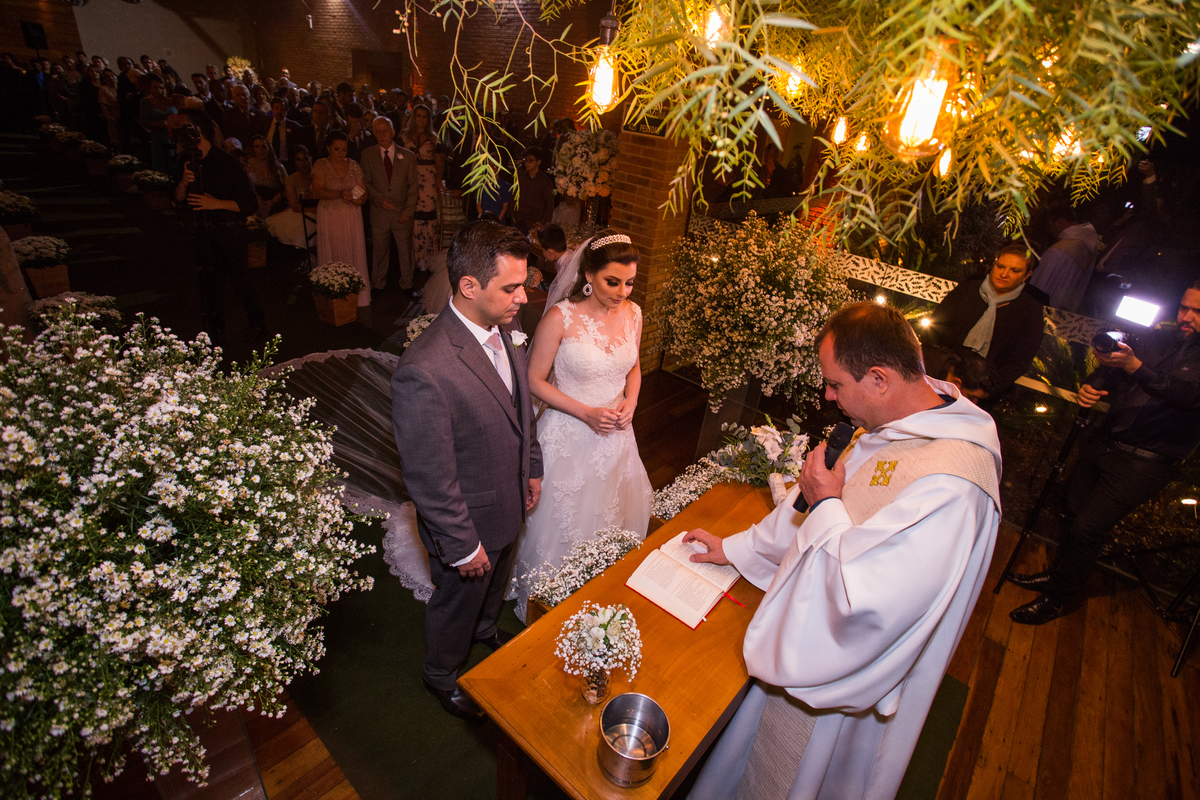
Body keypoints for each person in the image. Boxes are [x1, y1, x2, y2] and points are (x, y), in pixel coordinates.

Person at [684, 301, 1001, 800]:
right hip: (805, 650)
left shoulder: (950, 489)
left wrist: (826, 500)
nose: (829, 396)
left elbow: (865, 605)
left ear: (879, 378)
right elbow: (835, 509)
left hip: (843, 688)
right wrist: (738, 548)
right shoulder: (900, 421)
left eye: (836, 384)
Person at [391, 221, 543, 720]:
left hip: (507, 499)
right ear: (469, 286)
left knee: (494, 585)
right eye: (511, 287)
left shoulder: (504, 330)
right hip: (467, 523)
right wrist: (461, 544)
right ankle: (441, 673)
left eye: (524, 284)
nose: (523, 296)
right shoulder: (425, 368)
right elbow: (429, 477)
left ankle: (483, 632)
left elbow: (521, 411)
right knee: (457, 601)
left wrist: (533, 468)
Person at [1008, 281, 1200, 624]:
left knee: (1088, 527)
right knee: (1072, 513)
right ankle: (1057, 577)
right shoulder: (1162, 337)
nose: (1186, 316)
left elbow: (1184, 395)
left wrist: (1134, 367)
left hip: (1145, 462)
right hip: (1106, 441)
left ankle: (1058, 599)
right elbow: (1117, 370)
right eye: (1184, 307)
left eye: (1196, 311)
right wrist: (1095, 382)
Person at [508, 230, 653, 621]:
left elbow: (634, 368)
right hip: (568, 433)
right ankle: (545, 600)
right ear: (589, 274)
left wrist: (632, 401)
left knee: (609, 513)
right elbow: (535, 380)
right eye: (612, 282)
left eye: (629, 282)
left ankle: (596, 588)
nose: (622, 291)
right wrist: (586, 412)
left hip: (617, 435)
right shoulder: (561, 317)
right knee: (559, 521)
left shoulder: (634, 314)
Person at [173, 111, 264, 347]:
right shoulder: (186, 160)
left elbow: (249, 203)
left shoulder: (227, 162)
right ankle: (215, 333)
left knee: (241, 282)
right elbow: (177, 200)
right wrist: (183, 181)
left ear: (199, 130)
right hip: (203, 233)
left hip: (230, 233)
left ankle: (258, 326)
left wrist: (215, 204)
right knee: (209, 285)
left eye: (186, 127)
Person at [925, 244, 1045, 401]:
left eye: (1014, 270)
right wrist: (944, 374)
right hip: (939, 379)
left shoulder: (1030, 310)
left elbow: (1019, 362)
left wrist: (984, 389)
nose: (1004, 274)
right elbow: (934, 332)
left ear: (1027, 275)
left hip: (982, 393)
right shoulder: (967, 291)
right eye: (1000, 266)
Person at [361, 116, 419, 297]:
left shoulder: (408, 156)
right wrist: (379, 199)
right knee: (379, 249)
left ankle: (408, 283)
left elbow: (413, 187)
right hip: (379, 212)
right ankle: (378, 283)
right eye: (377, 131)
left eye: (385, 130)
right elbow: (366, 183)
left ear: (393, 132)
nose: (382, 134)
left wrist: (408, 211)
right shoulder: (367, 155)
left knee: (405, 249)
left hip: (401, 212)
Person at [312, 130, 370, 306]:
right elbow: (317, 190)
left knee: (353, 250)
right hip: (330, 215)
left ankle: (356, 296)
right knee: (333, 250)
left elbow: (362, 191)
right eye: (337, 149)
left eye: (344, 150)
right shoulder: (321, 165)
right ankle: (334, 297)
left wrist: (360, 198)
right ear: (329, 148)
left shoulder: (353, 165)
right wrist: (339, 194)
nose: (340, 153)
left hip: (351, 215)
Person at [1027, 212, 1100, 313]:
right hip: (1064, 311)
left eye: (1050, 226)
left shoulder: (1057, 250)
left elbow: (1038, 285)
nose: (1050, 231)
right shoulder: (1088, 246)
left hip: (1042, 308)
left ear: (1060, 222)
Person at [401, 103, 443, 265]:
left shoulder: (434, 138)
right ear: (413, 117)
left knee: (428, 217)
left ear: (428, 119)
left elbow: (439, 163)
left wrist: (439, 180)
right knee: (412, 214)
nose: (421, 119)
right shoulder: (404, 136)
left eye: (424, 116)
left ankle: (428, 259)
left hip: (429, 180)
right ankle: (413, 259)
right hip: (409, 178)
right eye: (418, 115)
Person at [266, 146, 317, 250]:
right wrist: (314, 210)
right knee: (302, 234)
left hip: (322, 211)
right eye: (298, 159)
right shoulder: (291, 180)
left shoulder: (318, 176)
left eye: (305, 158)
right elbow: (294, 205)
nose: (303, 163)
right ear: (294, 162)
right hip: (302, 212)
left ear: (310, 159)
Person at [513, 146, 555, 233]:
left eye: (530, 161)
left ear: (538, 162)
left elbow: (549, 204)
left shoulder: (545, 181)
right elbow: (514, 195)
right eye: (526, 160)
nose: (527, 163)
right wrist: (513, 214)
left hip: (536, 221)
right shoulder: (520, 177)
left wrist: (543, 222)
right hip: (520, 218)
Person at [247, 135, 287, 218]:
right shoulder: (248, 165)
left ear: (269, 148)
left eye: (264, 147)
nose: (261, 150)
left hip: (276, 203)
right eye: (257, 147)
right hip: (255, 203)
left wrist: (273, 201)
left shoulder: (278, 166)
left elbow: (286, 189)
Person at [265, 96, 301, 165]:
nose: (279, 111)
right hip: (268, 162)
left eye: (282, 109)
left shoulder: (294, 127)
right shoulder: (266, 123)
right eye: (276, 108)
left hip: (287, 163)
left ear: (286, 111)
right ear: (272, 109)